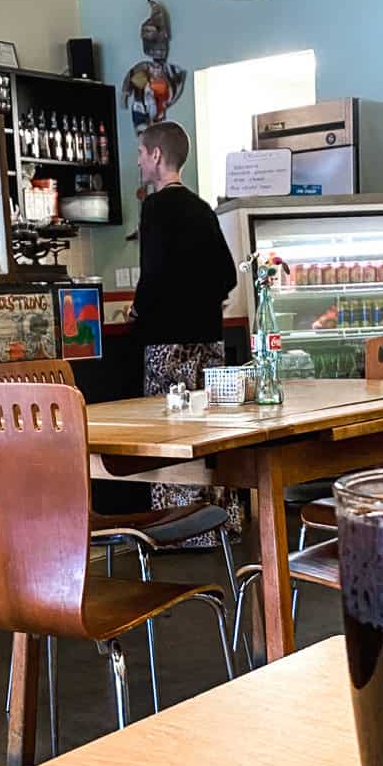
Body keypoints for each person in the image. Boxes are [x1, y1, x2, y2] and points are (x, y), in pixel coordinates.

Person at [130, 120, 240, 545]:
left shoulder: (155, 208)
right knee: (208, 429)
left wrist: (140, 307)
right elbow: (228, 275)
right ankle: (218, 523)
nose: (139, 160)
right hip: (207, 337)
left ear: (157, 155)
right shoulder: (201, 208)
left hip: (168, 339)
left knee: (170, 432)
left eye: (141, 152)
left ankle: (177, 530)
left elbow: (153, 273)